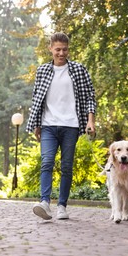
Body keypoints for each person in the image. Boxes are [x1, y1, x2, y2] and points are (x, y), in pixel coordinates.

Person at [26, 32, 96, 220]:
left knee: (66, 166)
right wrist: (36, 125)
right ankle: (45, 203)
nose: (61, 53)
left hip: (71, 125)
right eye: (57, 49)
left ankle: (62, 206)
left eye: (64, 49)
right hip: (48, 125)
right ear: (50, 49)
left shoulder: (78, 69)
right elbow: (37, 99)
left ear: (68, 49)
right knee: (47, 162)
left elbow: (90, 96)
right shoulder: (42, 71)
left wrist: (91, 120)